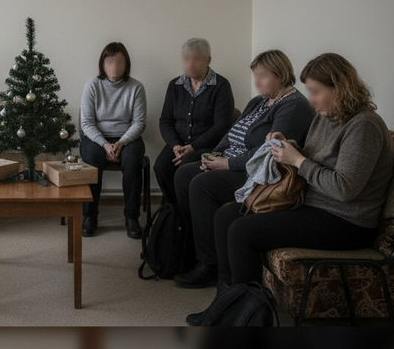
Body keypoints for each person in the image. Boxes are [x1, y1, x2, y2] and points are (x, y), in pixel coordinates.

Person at [186, 53, 394, 326]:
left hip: (347, 221)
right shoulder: (326, 117)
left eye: (316, 92)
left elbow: (344, 189)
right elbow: (312, 155)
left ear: (340, 88)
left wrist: (297, 160)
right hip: (313, 205)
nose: (312, 100)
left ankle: (247, 318)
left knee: (241, 231)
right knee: (225, 217)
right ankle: (226, 304)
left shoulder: (364, 125)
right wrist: (287, 145)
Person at [173, 49, 315, 288]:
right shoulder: (259, 101)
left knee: (201, 185)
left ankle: (209, 264)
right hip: (232, 161)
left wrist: (226, 164)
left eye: (262, 76)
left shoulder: (293, 106)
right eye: (255, 75)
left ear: (281, 76)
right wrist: (214, 155)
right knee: (183, 174)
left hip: (258, 173)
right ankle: (192, 250)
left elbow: (268, 152)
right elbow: (231, 134)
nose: (256, 82)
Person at [155, 38, 235, 204]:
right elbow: (165, 121)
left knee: (184, 169)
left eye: (196, 59)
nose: (190, 64)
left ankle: (187, 212)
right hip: (178, 144)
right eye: (186, 59)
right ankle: (173, 210)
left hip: (206, 146)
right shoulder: (175, 85)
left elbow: (222, 126)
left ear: (208, 60)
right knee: (161, 167)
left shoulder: (221, 86)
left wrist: (192, 147)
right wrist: (175, 146)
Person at [80, 42, 147, 238]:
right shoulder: (92, 86)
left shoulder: (136, 87)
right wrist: (104, 144)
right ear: (103, 64)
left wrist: (121, 143)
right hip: (96, 138)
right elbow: (86, 123)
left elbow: (139, 123)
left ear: (126, 64)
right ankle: (89, 216)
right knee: (92, 160)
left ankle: (131, 217)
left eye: (119, 62)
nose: (115, 67)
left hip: (127, 138)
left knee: (133, 161)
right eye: (110, 62)